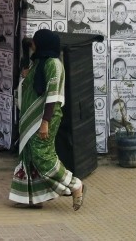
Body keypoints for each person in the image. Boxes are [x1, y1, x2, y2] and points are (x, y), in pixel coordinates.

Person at [8, 29, 84, 210]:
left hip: (44, 118)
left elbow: (53, 96)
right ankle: (34, 198)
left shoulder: (54, 65)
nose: (33, 45)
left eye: (35, 42)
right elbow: (31, 88)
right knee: (29, 156)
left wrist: (45, 122)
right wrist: (25, 77)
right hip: (32, 118)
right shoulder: (39, 63)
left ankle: (75, 185)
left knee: (43, 156)